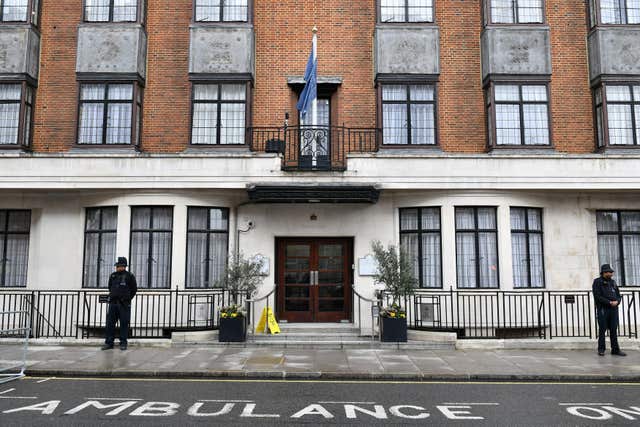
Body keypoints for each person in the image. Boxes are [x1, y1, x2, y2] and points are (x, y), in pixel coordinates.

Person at [102, 257, 137, 351]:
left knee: (124, 324)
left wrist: (127, 299)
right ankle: (109, 343)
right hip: (113, 303)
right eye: (117, 266)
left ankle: (123, 343)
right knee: (110, 324)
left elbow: (134, 289)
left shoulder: (129, 276)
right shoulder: (113, 276)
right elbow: (110, 287)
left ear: (124, 266)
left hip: (124, 304)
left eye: (119, 266)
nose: (117, 267)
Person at [592, 264, 626, 357]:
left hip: (614, 309)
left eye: (611, 272)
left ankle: (615, 349)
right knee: (602, 330)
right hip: (603, 309)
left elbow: (618, 295)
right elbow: (597, 296)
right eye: (609, 272)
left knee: (614, 329)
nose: (611, 274)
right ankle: (601, 349)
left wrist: (617, 302)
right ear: (603, 272)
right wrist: (609, 302)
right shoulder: (597, 282)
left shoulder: (613, 282)